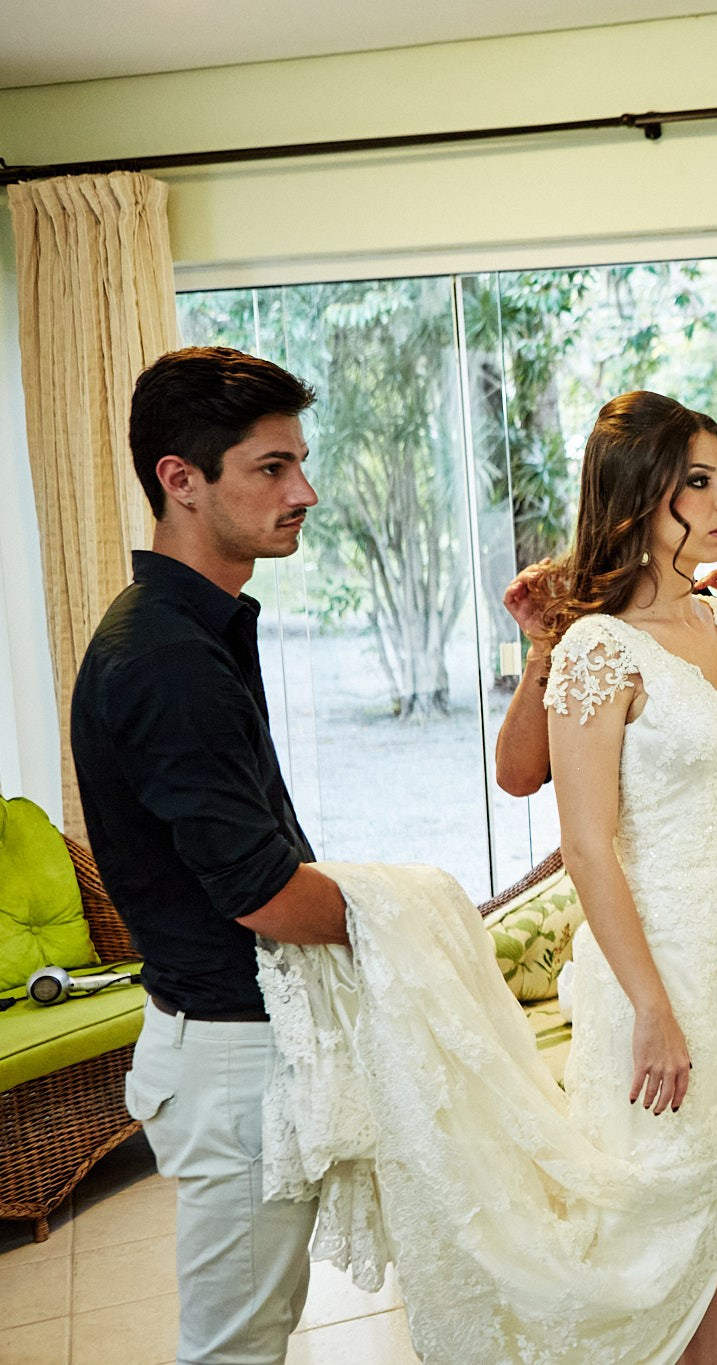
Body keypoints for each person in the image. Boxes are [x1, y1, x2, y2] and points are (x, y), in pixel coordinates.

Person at [494, 425, 717, 1365]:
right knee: (654, 1254)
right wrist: (652, 1008)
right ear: (639, 495)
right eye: (700, 482)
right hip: (657, 976)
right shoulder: (593, 650)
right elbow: (584, 845)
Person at [71, 347, 349, 1365]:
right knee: (234, 1350)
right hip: (233, 1063)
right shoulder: (165, 657)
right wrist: (403, 920)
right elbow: (264, 894)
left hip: (245, 1040)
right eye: (270, 468)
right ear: (179, 480)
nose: (303, 492)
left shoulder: (199, 630)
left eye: (299, 464)